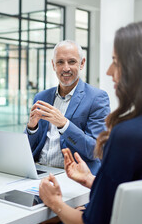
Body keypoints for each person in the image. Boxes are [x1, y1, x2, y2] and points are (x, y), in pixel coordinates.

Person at [30, 20, 142, 224]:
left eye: (115, 61)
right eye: (60, 62)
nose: (108, 71)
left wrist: (56, 202)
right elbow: (141, 189)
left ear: (141, 66)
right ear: (53, 65)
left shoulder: (127, 134)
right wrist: (90, 180)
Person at [26, 40, 110, 175]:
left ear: (82, 63)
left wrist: (64, 125)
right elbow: (28, 147)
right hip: (39, 172)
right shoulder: (41, 97)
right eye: (60, 62)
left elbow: (96, 150)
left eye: (71, 62)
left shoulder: (97, 98)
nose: (66, 68)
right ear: (53, 65)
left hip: (73, 176)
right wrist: (31, 128)